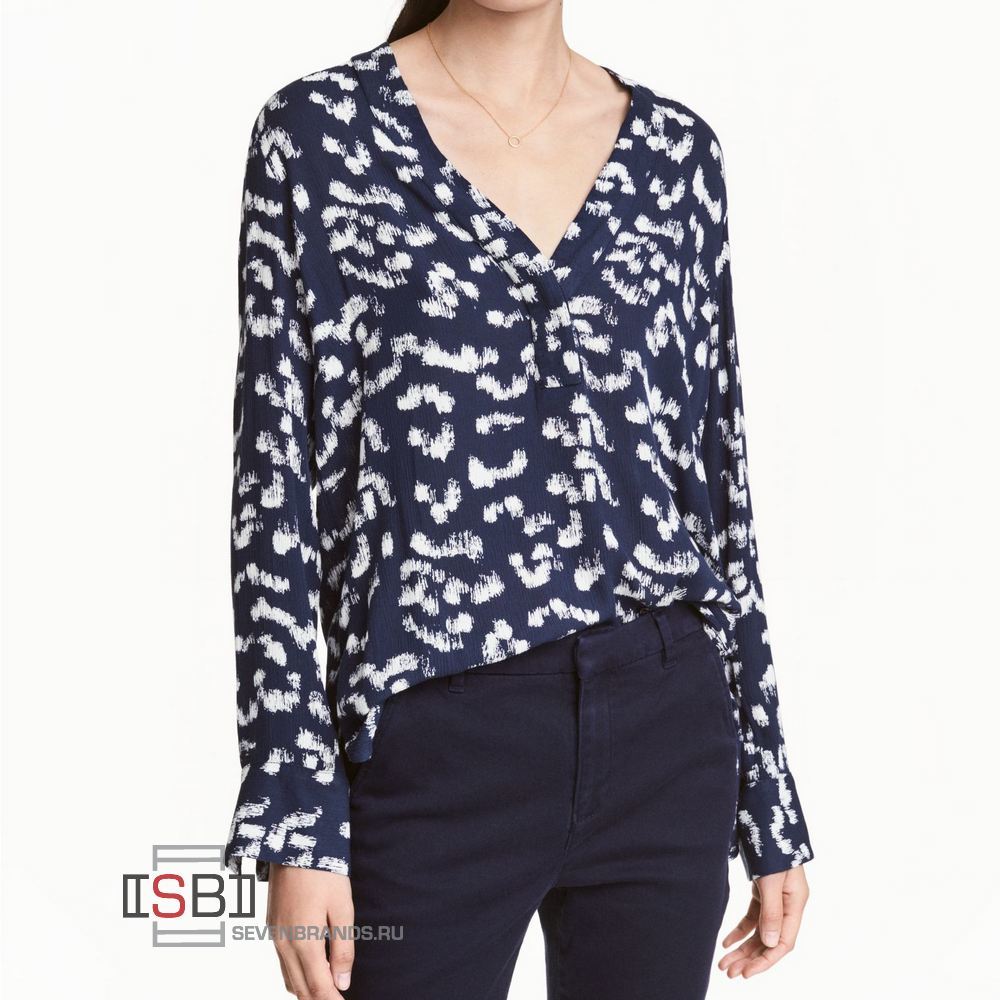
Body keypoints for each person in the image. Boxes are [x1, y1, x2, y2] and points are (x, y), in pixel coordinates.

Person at [224, 1, 814, 997]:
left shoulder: (676, 158)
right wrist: (294, 812)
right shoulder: (318, 135)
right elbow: (271, 490)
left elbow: (717, 478)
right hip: (435, 740)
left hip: (668, 726)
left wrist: (768, 789)